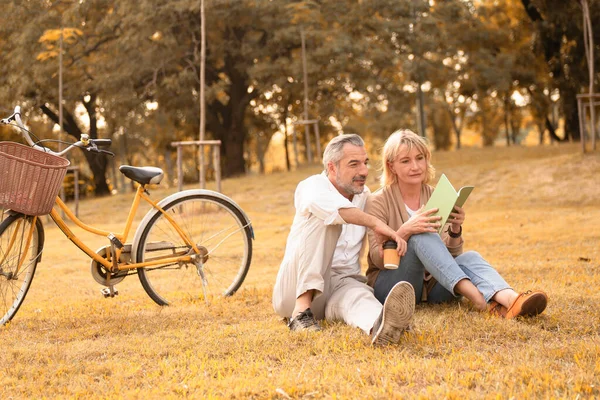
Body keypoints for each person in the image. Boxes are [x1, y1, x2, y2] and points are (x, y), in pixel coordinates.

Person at [365, 129, 548, 319]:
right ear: (391, 166)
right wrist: (405, 230)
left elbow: (448, 258)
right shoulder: (377, 201)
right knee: (420, 234)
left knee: (469, 258)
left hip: (432, 290)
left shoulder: (436, 195)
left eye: (420, 158)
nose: (415, 166)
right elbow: (378, 260)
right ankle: (481, 301)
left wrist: (454, 230)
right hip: (394, 286)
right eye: (406, 161)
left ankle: (511, 300)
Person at [272, 134, 416, 346]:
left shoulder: (363, 195)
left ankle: (382, 324)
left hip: (340, 283)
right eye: (354, 164)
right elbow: (337, 210)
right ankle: (300, 313)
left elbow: (388, 211)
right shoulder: (312, 186)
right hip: (295, 289)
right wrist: (375, 223)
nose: (364, 171)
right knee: (326, 220)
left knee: (360, 295)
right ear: (332, 168)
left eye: (365, 163)